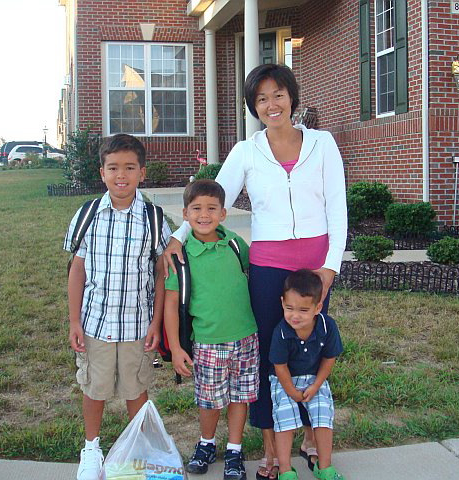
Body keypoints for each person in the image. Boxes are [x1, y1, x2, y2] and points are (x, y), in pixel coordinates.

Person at [163, 63, 347, 479]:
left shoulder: (323, 143)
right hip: (267, 267)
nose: (271, 104)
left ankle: (309, 437)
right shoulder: (247, 150)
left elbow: (338, 207)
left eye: (278, 94)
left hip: (315, 267)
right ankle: (270, 447)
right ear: (254, 107)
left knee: (311, 348)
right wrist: (178, 235)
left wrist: (331, 267)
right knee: (270, 355)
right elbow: (212, 198)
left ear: (292, 98)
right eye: (261, 98)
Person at [65, 133, 171, 480]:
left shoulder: (153, 219)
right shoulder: (88, 215)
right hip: (95, 322)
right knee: (94, 388)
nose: (120, 175)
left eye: (129, 167)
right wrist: (74, 322)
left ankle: (134, 453)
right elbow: (77, 271)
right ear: (102, 172)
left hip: (137, 325)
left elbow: (160, 275)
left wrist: (156, 323)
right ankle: (91, 449)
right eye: (113, 168)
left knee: (135, 389)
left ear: (142, 172)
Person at [163, 179, 259, 480]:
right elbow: (170, 303)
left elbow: (252, 271)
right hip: (207, 342)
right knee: (210, 399)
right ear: (185, 214)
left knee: (240, 396)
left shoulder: (234, 244)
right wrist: (177, 348)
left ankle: (234, 449)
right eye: (197, 209)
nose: (204, 215)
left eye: (212, 209)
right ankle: (206, 444)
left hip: (246, 337)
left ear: (223, 213)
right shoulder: (181, 257)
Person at [270, 269, 344, 480]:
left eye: (303, 310)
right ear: (282, 302)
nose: (295, 315)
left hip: (314, 378)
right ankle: (285, 470)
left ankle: (325, 466)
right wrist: (292, 392)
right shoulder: (282, 332)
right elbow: (280, 366)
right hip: (284, 381)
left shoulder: (327, 326)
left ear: (317, 307)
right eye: (289, 308)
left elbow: (329, 359)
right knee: (285, 419)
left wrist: (317, 384)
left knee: (323, 415)